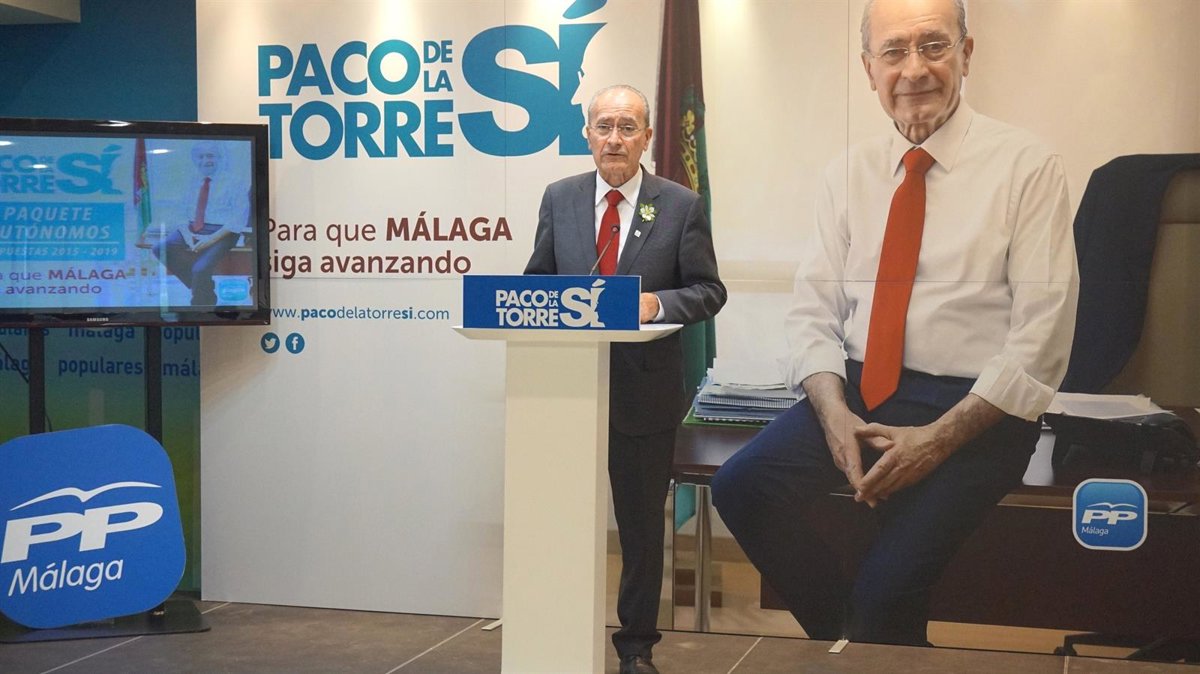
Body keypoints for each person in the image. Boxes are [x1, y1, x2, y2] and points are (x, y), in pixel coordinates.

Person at [711, 0, 1078, 647]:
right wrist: (834, 414)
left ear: (966, 55)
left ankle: (870, 636)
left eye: (933, 46)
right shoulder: (847, 174)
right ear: (868, 69)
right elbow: (813, 311)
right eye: (893, 52)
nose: (914, 69)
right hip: (860, 392)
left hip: (977, 406)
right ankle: (859, 640)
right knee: (742, 488)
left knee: (885, 596)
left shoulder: (1027, 167)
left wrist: (935, 439)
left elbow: (1041, 337)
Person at [525, 84, 726, 674]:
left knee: (639, 532)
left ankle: (636, 648)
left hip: (645, 395)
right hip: (568, 392)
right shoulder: (559, 198)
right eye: (604, 126)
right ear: (587, 134)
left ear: (647, 137)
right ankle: (559, 632)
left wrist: (656, 305)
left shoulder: (680, 205)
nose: (615, 139)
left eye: (628, 127)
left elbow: (709, 290)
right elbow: (536, 284)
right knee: (561, 521)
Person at [153, 141, 250, 306]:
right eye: (200, 157)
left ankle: (201, 305)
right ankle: (204, 287)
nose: (205, 161)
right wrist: (188, 236)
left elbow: (237, 220)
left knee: (200, 269)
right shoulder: (189, 181)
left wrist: (209, 240)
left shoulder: (235, 183)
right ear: (194, 159)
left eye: (210, 156)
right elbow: (180, 213)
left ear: (220, 158)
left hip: (224, 231)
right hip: (192, 228)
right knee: (160, 248)